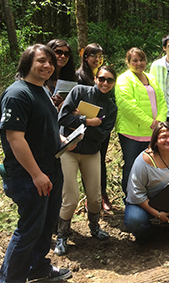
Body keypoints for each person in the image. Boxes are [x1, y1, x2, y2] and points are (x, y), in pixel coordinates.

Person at [0, 44, 72, 282]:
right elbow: (15, 138)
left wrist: (60, 139)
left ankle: (38, 268)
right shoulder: (17, 94)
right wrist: (37, 174)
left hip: (51, 170)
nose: (48, 65)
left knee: (44, 227)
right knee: (29, 230)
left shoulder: (41, 90)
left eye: (51, 62)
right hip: (29, 176)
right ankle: (10, 279)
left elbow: (40, 127)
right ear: (27, 63)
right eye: (41, 60)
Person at [54, 66, 118, 255]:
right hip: (69, 150)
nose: (105, 83)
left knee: (95, 197)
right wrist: (88, 121)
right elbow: (62, 117)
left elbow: (101, 136)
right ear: (96, 78)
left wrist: (77, 118)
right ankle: (62, 235)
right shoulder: (79, 91)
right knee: (71, 197)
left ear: (113, 83)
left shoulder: (111, 107)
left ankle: (94, 227)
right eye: (102, 79)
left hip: (91, 152)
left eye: (109, 80)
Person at [115, 47, 167, 196]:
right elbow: (128, 106)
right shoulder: (123, 79)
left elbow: (162, 101)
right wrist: (150, 122)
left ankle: (149, 197)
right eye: (135, 60)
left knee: (152, 166)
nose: (139, 63)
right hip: (132, 133)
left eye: (142, 60)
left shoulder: (151, 78)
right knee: (131, 166)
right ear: (128, 62)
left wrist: (160, 121)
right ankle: (130, 197)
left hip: (153, 132)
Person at [76, 43, 113, 210]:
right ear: (85, 57)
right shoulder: (78, 76)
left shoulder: (106, 75)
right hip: (82, 126)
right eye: (93, 56)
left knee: (100, 159)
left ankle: (101, 194)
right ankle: (88, 196)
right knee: (83, 159)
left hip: (101, 126)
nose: (97, 59)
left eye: (99, 56)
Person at [45, 39, 77, 108]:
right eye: (58, 52)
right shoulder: (41, 76)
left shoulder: (72, 78)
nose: (63, 56)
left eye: (66, 54)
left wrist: (63, 103)